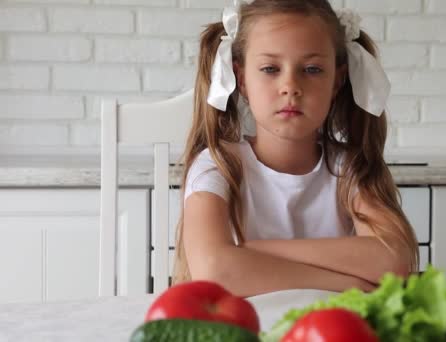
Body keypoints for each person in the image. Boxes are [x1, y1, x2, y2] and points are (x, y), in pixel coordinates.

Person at [171, 0, 419, 297]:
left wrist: (253, 251)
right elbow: (214, 270)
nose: (290, 85)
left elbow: (392, 259)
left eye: (312, 69)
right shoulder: (218, 165)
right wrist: (349, 284)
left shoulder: (349, 168)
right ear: (242, 80)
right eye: (270, 68)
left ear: (337, 81)